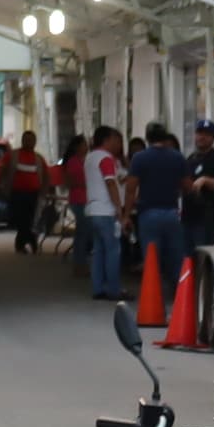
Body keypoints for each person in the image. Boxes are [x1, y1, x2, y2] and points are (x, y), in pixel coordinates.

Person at [127, 122, 191, 302]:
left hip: (148, 214)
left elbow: (131, 188)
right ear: (165, 136)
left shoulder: (139, 158)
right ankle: (180, 296)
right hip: (172, 213)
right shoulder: (177, 157)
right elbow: (188, 186)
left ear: (147, 138)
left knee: (151, 257)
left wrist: (125, 214)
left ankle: (153, 297)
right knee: (176, 256)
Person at [79, 126, 128, 299]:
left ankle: (98, 288)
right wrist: (119, 210)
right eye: (117, 140)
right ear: (107, 140)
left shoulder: (90, 157)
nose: (119, 144)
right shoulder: (106, 158)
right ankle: (114, 290)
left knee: (98, 251)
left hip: (92, 210)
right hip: (106, 211)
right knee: (113, 251)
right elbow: (110, 183)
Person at [6, 133, 52, 252]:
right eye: (26, 140)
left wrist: (44, 191)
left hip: (34, 194)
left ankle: (23, 243)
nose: (29, 142)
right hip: (16, 193)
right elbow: (3, 171)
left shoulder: (39, 158)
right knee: (20, 219)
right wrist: (3, 187)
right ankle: (28, 241)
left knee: (31, 219)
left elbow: (46, 176)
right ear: (22, 140)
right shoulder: (13, 155)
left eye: (31, 140)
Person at [185, 117, 214, 252]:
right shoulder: (191, 158)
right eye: (200, 133)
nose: (202, 137)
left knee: (202, 255)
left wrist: (205, 180)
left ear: (213, 138)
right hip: (188, 218)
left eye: (207, 134)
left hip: (206, 219)